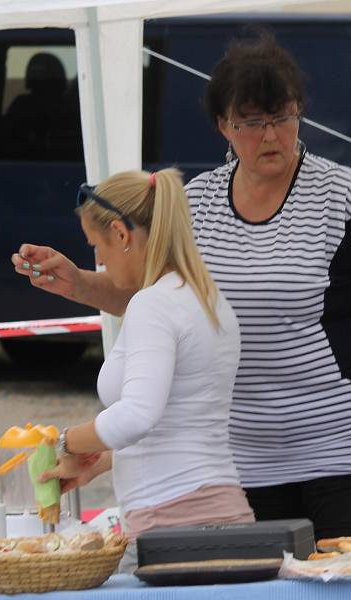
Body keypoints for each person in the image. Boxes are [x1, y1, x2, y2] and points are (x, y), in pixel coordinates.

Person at [13, 33, 351, 541]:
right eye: (253, 123)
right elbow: (166, 306)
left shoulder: (343, 196)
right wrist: (81, 284)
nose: (272, 136)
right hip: (241, 456)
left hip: (343, 445)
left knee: (345, 583)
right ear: (223, 124)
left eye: (283, 117)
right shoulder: (196, 205)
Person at [35, 168, 254, 547]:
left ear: (120, 234)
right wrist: (99, 460)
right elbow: (179, 424)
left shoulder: (152, 304)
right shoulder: (207, 299)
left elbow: (137, 414)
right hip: (218, 506)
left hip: (171, 519)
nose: (98, 259)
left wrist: (66, 442)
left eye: (95, 245)